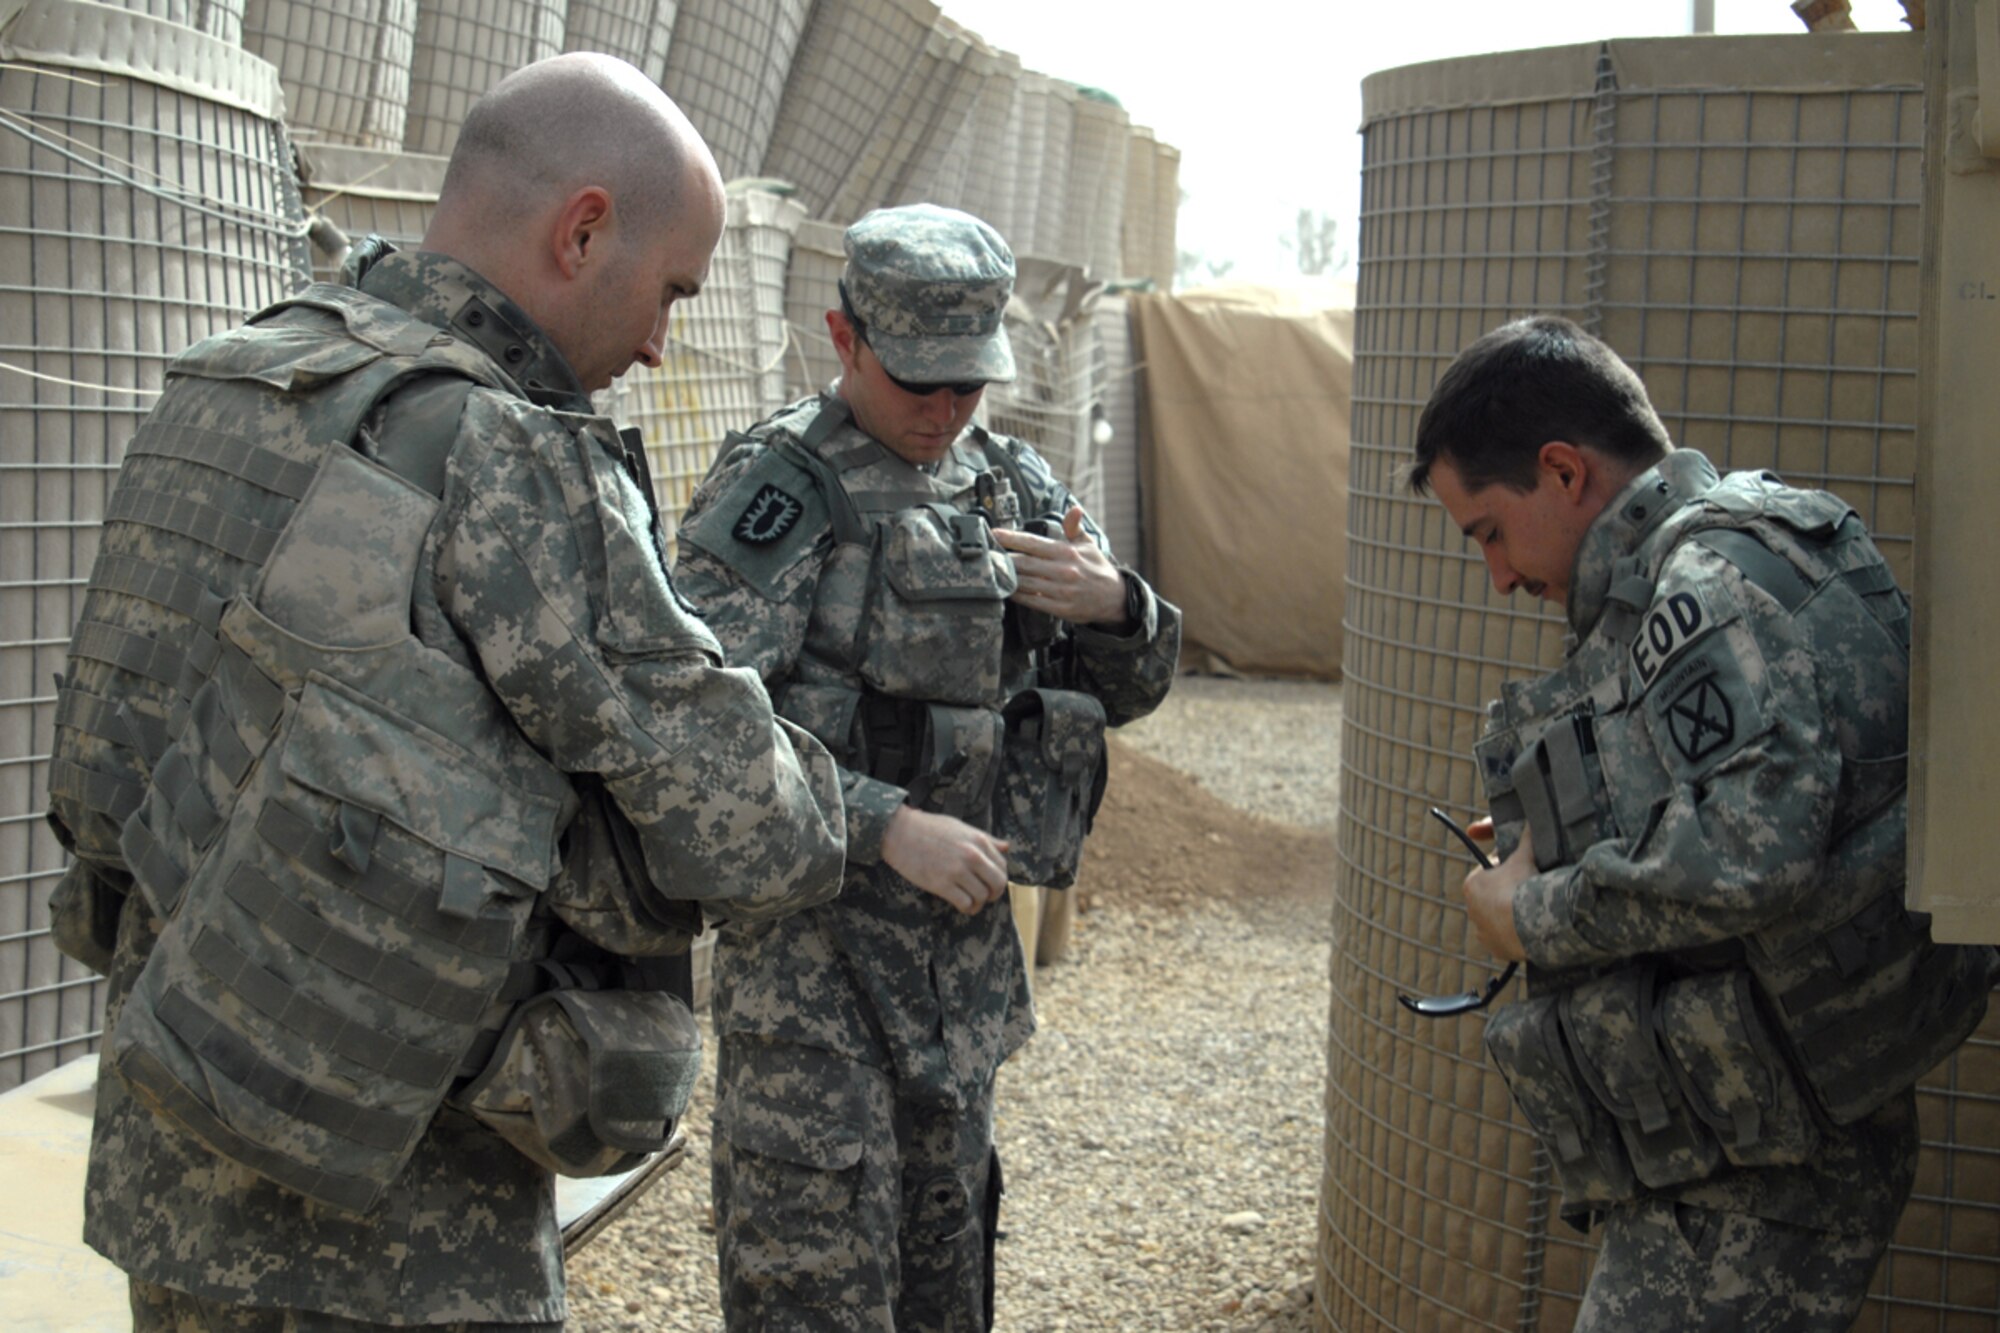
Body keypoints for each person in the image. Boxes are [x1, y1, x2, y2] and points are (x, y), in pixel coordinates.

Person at [43, 53, 848, 1332]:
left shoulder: (224, 378)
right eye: (666, 293)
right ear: (583, 230)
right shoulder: (506, 454)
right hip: (393, 1231)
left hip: (176, 1160)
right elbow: (765, 838)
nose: (654, 343)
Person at [1408, 315, 1996, 1331]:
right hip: (1788, 1111)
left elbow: (1747, 854)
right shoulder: (1751, 542)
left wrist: (1529, 913)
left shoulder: (1701, 585)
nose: (1497, 576)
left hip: (1764, 1163)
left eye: (1488, 531)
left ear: (1560, 471)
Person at [672, 203, 1181, 1330]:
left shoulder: (1012, 485)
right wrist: (880, 822)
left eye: (969, 387)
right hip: (816, 971)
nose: (945, 414)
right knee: (814, 1282)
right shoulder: (780, 491)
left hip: (958, 976)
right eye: (918, 385)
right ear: (845, 340)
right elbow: (696, 726)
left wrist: (1116, 607)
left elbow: (1129, 692)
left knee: (946, 1284)